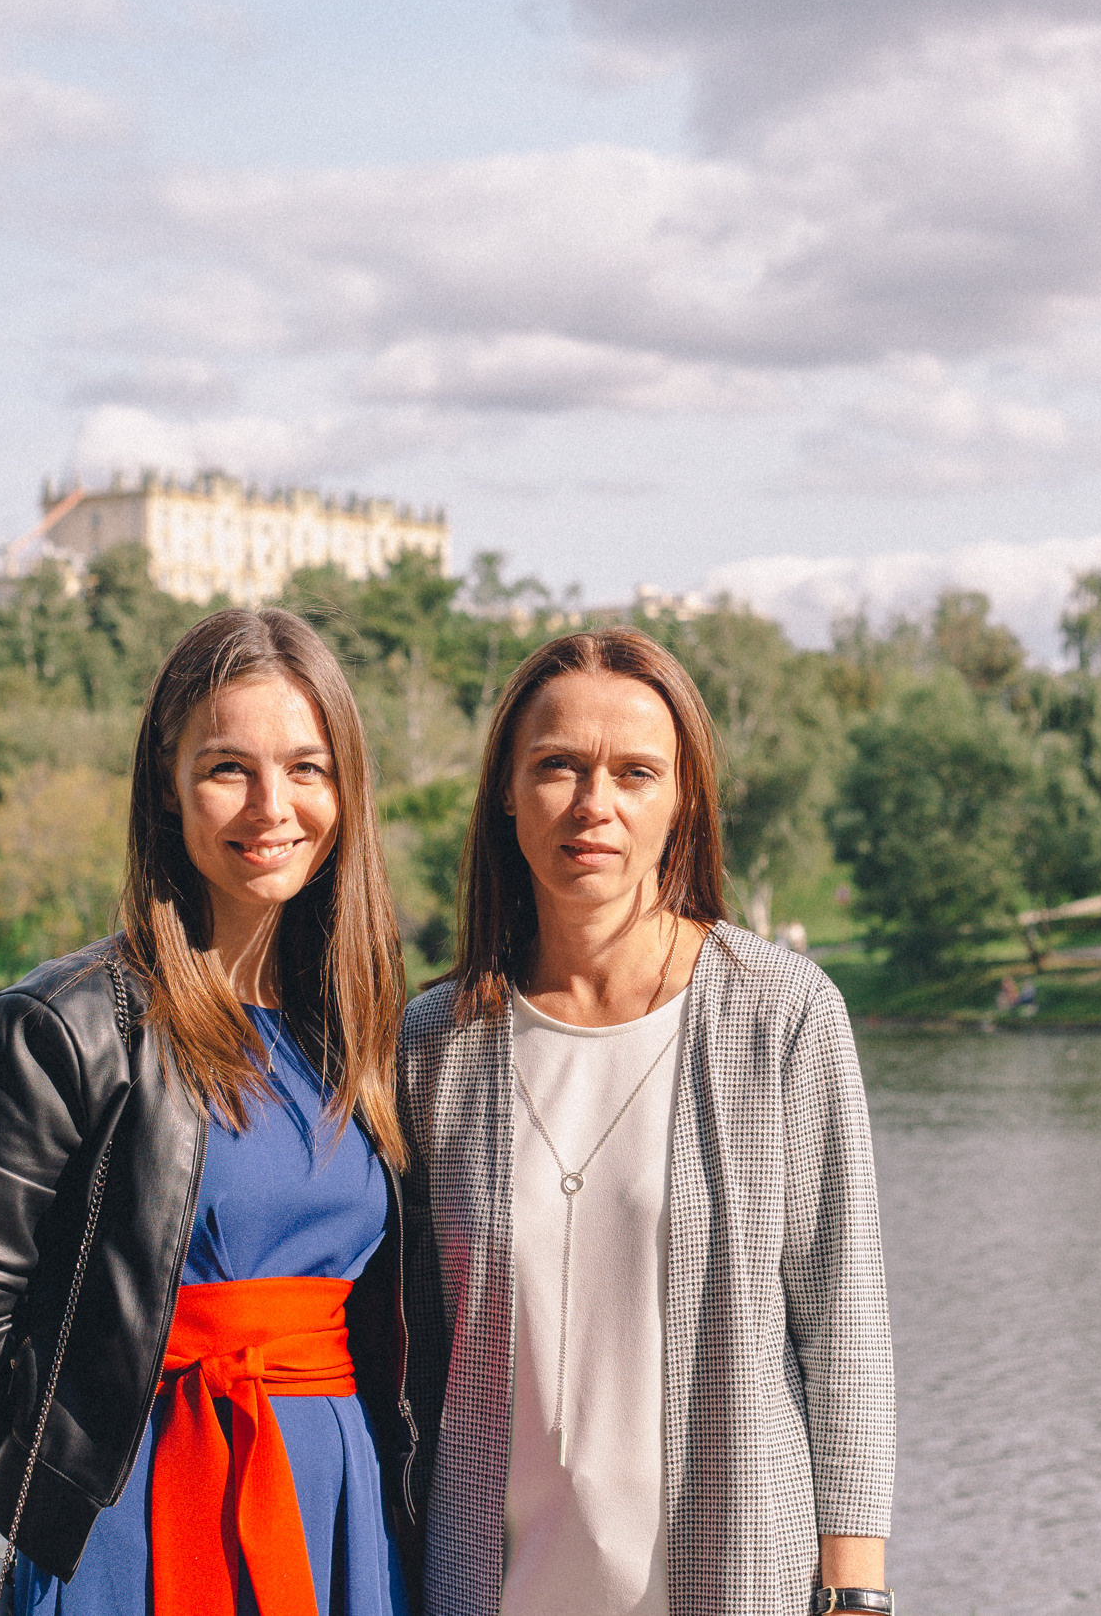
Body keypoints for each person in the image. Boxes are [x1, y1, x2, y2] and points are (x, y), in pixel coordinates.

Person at [0, 608, 427, 1616]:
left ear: (347, 787)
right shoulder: (64, 1024)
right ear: (167, 786)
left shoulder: (366, 1030)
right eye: (228, 767)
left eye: (307, 768)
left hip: (337, 1496)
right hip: (137, 1519)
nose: (272, 805)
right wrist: (75, 1483)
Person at [400, 628, 893, 1616]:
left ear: (683, 800)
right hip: (493, 1591)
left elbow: (843, 1326)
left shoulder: (783, 1013)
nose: (596, 803)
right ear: (507, 792)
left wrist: (854, 1596)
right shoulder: (433, 1044)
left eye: (635, 772)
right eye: (558, 766)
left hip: (734, 1583)